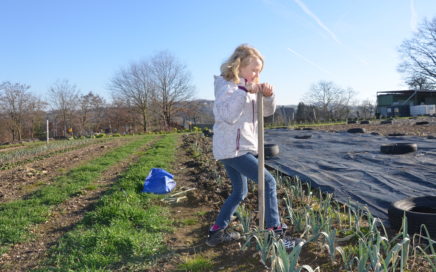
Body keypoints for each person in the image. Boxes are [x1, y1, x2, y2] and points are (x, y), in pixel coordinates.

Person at [206, 44, 302, 249]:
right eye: (254, 69)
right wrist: (243, 89)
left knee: (240, 191)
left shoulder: (249, 86)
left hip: (239, 148)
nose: (257, 73)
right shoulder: (226, 85)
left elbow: (266, 112)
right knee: (268, 182)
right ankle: (274, 234)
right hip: (233, 149)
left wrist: (268, 96)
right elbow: (229, 116)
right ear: (239, 65)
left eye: (260, 70)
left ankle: (216, 232)